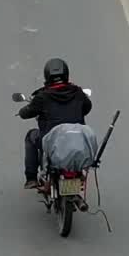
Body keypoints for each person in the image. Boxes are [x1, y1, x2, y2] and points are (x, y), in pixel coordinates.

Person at [19, 58, 92, 189]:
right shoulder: (78, 92)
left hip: (51, 142)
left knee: (31, 136)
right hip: (77, 140)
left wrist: (22, 111)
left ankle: (31, 178)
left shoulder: (42, 97)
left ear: (47, 75)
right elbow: (87, 108)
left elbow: (26, 113)